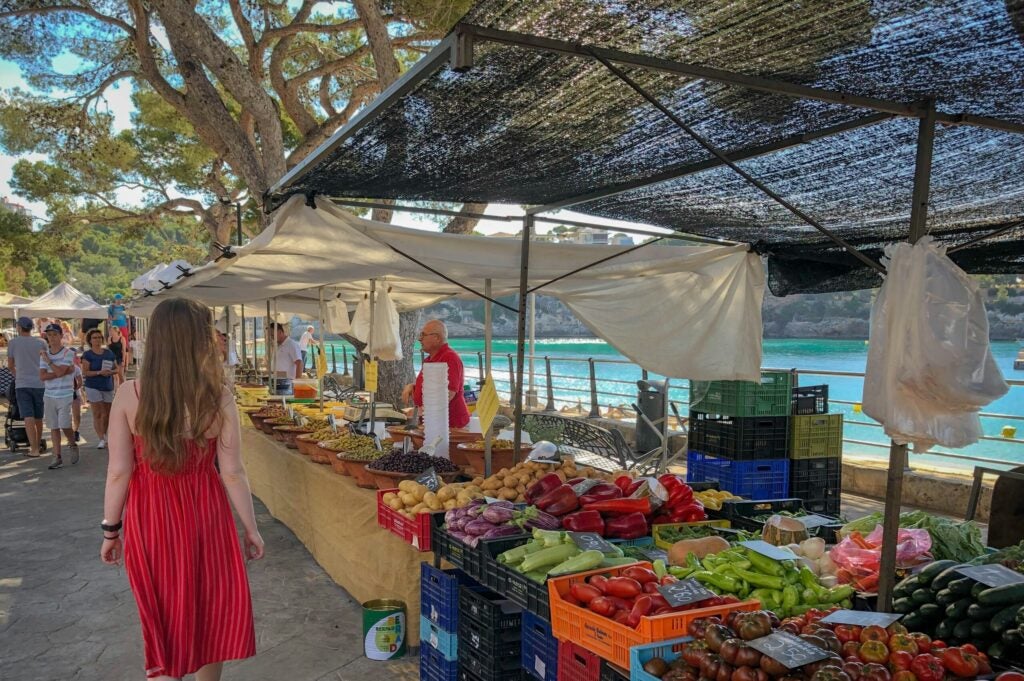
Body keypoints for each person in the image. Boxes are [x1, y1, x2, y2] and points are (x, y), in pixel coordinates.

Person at [100, 297, 263, 681]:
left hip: (151, 517)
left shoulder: (128, 395)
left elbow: (118, 472)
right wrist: (251, 528)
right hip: (207, 512)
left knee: (164, 609)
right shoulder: (219, 396)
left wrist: (111, 529)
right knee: (209, 610)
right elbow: (233, 472)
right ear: (201, 340)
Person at [401, 320, 470, 428]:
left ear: (437, 338)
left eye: (423, 335)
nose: (420, 339)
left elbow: (448, 393)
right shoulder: (430, 359)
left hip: (451, 425)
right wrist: (412, 386)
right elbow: (432, 386)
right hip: (433, 423)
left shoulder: (449, 358)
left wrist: (420, 411)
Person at [39, 323, 79, 469]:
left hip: (65, 393)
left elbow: (61, 372)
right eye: (49, 335)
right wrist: (61, 371)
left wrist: (50, 363)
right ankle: (57, 456)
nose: (52, 338)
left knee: (64, 424)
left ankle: (72, 443)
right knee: (53, 426)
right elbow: (42, 376)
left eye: (55, 334)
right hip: (49, 394)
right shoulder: (44, 354)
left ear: (61, 336)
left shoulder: (67, 353)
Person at [7, 317, 47, 456]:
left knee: (27, 416)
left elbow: (10, 365)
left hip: (22, 383)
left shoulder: (13, 343)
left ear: (19, 327)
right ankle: (38, 444)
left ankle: (34, 448)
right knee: (38, 416)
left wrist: (18, 375)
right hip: (40, 383)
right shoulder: (41, 342)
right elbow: (46, 362)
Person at [82, 328, 117, 448]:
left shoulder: (108, 353)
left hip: (107, 385)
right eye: (94, 338)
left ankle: (105, 434)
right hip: (93, 386)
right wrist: (99, 372)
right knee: (98, 412)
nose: (97, 340)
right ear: (90, 340)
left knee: (107, 413)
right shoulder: (87, 355)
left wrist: (110, 372)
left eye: (99, 337)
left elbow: (116, 368)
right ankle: (101, 438)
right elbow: (85, 372)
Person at [269, 322, 302, 395]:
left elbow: (299, 363)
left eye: (272, 335)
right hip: (277, 382)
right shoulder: (278, 345)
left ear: (280, 332)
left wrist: (297, 383)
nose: (271, 337)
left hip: (287, 384)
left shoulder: (291, 344)